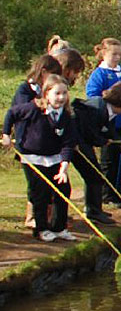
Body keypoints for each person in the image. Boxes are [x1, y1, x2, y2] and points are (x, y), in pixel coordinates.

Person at [2, 75, 78, 242]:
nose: (61, 97)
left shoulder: (66, 115)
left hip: (55, 158)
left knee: (63, 190)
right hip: (32, 157)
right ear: (46, 94)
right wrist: (6, 134)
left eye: (64, 93)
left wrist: (64, 166)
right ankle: (41, 228)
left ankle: (59, 227)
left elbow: (68, 142)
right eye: (57, 93)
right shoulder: (33, 109)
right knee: (40, 193)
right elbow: (12, 113)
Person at [72, 82, 121, 225]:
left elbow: (109, 130)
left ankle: (95, 208)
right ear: (118, 102)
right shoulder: (96, 107)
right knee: (94, 174)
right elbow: (89, 131)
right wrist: (101, 141)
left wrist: (116, 140)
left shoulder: (108, 111)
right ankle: (93, 211)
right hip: (77, 143)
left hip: (84, 142)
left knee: (95, 175)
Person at [86, 38, 121, 207]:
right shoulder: (99, 74)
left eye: (119, 54)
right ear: (104, 53)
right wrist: (109, 95)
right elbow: (92, 95)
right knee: (108, 161)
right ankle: (107, 194)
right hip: (108, 122)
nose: (116, 57)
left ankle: (119, 193)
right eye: (113, 54)